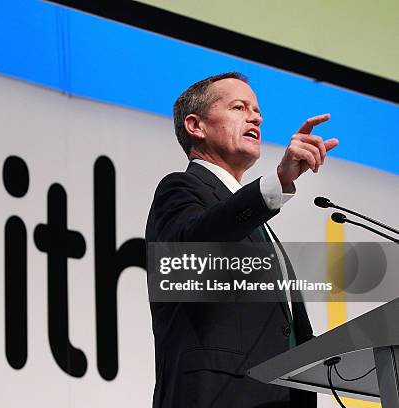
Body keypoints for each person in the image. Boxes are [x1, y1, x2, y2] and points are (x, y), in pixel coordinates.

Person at [145, 72, 339, 407]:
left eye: (257, 110)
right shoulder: (180, 189)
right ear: (196, 126)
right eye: (239, 107)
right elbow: (196, 247)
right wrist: (277, 183)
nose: (256, 117)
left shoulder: (259, 225)